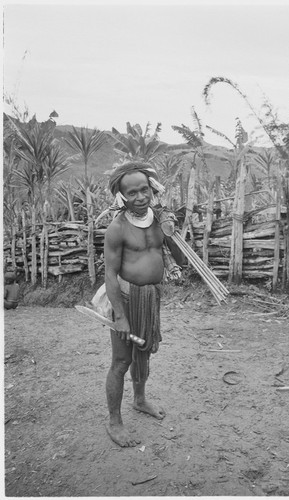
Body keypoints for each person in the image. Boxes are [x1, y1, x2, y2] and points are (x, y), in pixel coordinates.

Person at [104, 161, 175, 448]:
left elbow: (180, 260)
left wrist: (173, 232)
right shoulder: (117, 228)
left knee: (143, 352)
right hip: (126, 300)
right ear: (121, 196)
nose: (140, 197)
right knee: (122, 360)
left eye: (144, 190)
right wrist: (120, 316)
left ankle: (140, 399)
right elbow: (109, 273)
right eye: (131, 193)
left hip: (149, 301)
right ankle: (114, 421)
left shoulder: (160, 221)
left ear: (152, 189)